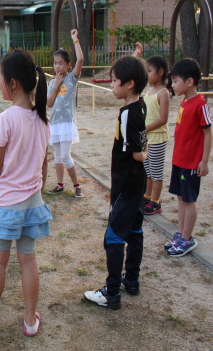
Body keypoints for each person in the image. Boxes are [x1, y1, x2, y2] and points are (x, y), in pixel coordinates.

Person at [0, 50, 52, 337]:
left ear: (13, 84)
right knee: (28, 260)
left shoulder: (7, 120)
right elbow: (42, 164)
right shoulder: (43, 119)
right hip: (33, 202)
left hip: (6, 203)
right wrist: (36, 189)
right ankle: (30, 320)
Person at [84, 55, 148, 309]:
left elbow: (136, 152)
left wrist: (143, 154)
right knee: (134, 231)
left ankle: (111, 293)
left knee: (112, 237)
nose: (112, 85)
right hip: (137, 183)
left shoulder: (126, 113)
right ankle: (130, 280)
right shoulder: (141, 104)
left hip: (126, 185)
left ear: (130, 84)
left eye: (115, 81)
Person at [164, 58, 211, 257]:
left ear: (189, 82)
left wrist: (204, 161)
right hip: (179, 160)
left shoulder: (200, 104)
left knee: (189, 200)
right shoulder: (184, 101)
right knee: (181, 197)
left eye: (176, 81)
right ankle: (181, 233)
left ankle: (187, 238)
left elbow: (208, 133)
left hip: (191, 163)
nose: (173, 85)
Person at [46, 29, 85, 197]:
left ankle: (77, 185)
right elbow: (49, 103)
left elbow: (81, 60)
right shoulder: (52, 82)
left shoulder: (71, 78)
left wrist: (75, 39)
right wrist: (56, 85)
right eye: (55, 63)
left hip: (67, 123)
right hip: (54, 123)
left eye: (61, 63)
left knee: (65, 156)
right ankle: (60, 184)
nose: (57, 66)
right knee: (56, 156)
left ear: (68, 64)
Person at [141, 53, 171, 215]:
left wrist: (146, 128)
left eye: (149, 71)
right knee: (147, 170)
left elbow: (163, 119)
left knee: (156, 171)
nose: (147, 74)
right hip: (147, 139)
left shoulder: (163, 93)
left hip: (157, 138)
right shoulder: (149, 91)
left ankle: (156, 202)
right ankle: (147, 196)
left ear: (160, 72)